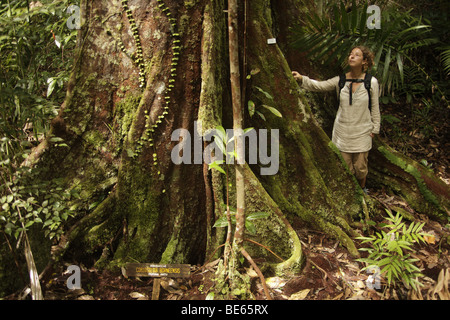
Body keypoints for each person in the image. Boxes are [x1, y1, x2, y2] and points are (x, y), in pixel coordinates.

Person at [292, 46, 381, 192]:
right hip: (342, 132)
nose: (351, 57)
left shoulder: (371, 82)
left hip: (362, 132)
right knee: (346, 167)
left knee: (360, 168)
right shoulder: (341, 80)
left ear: (364, 61)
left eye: (356, 55)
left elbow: (375, 108)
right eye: (350, 54)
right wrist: (302, 79)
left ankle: (362, 189)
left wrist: (375, 128)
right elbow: (320, 86)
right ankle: (352, 193)